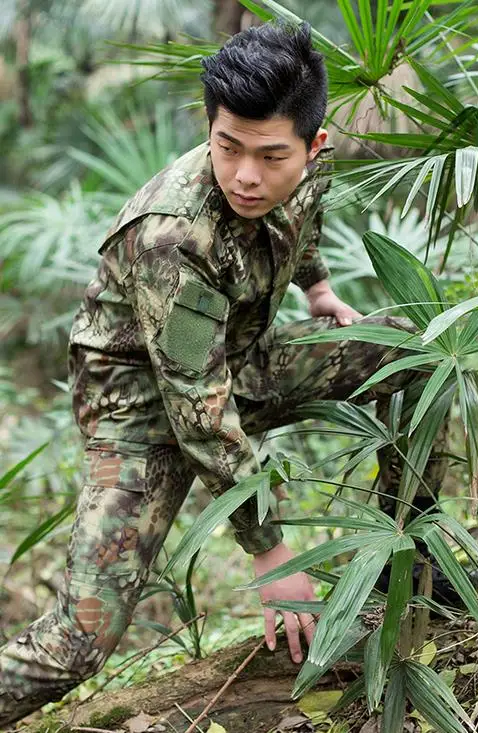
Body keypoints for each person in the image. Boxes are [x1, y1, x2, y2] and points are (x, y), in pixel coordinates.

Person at [0, 21, 446, 726]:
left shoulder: (305, 169)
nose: (245, 175)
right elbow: (196, 410)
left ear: (312, 146)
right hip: (142, 410)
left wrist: (319, 287)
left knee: (414, 351)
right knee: (77, 643)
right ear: (210, 126)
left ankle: (415, 565)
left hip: (239, 359)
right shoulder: (174, 233)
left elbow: (303, 219)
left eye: (270, 156)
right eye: (227, 146)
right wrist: (270, 553)